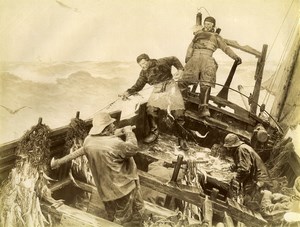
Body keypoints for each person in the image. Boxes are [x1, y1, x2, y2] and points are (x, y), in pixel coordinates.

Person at [51, 112, 145, 226]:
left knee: (112, 215)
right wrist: (129, 132)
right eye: (111, 125)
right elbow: (133, 148)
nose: (113, 126)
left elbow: (76, 153)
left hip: (105, 191)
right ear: (106, 128)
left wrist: (58, 162)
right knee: (123, 219)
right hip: (123, 189)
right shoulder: (116, 144)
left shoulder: (89, 141)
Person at [120, 53, 188, 150]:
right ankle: (154, 133)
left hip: (170, 86)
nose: (142, 66)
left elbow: (174, 59)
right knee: (150, 110)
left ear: (148, 60)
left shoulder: (162, 62)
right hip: (157, 90)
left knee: (179, 112)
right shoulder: (144, 73)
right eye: (140, 65)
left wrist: (180, 69)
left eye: (143, 63)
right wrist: (127, 92)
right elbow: (138, 85)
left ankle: (182, 138)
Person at [178, 16, 242, 117]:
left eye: (209, 24)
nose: (206, 25)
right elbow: (190, 47)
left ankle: (203, 109)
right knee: (183, 81)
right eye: (205, 23)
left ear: (213, 25)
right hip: (194, 58)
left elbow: (225, 48)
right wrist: (188, 59)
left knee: (206, 84)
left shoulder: (216, 37)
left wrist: (235, 57)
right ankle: (181, 103)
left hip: (207, 59)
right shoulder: (197, 35)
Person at [223, 133, 272, 210]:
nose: (228, 149)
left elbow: (245, 169)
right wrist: (234, 167)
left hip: (260, 180)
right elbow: (245, 163)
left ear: (234, 145)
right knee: (245, 195)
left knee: (249, 202)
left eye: (229, 147)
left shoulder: (242, 149)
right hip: (256, 177)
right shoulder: (242, 148)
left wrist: (236, 179)